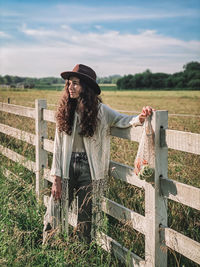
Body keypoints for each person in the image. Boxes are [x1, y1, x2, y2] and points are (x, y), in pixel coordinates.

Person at [50, 64, 153, 243]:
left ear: (86, 87)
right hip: (66, 166)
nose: (70, 87)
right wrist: (56, 178)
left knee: (86, 216)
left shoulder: (100, 111)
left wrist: (141, 117)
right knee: (55, 209)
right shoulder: (66, 110)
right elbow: (58, 146)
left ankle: (82, 252)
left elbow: (123, 119)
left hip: (90, 170)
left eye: (75, 83)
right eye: (69, 84)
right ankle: (48, 244)